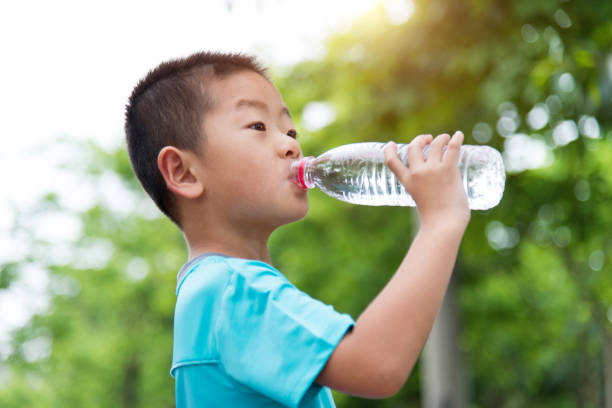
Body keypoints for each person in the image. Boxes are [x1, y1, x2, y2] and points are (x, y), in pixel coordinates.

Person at [124, 51, 470, 407]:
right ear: (184, 172)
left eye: (290, 130)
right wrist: (440, 220)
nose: (292, 144)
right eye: (257, 126)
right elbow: (376, 364)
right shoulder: (232, 290)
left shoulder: (211, 291)